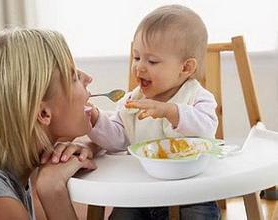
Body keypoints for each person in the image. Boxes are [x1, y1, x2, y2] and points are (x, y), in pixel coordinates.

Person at [0, 28, 99, 220]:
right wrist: (53, 191)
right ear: (43, 113)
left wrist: (88, 144)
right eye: (73, 77)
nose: (88, 79)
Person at [87, 5, 220, 220]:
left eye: (152, 61)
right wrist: (94, 119)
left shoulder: (196, 96)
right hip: (139, 190)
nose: (139, 67)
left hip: (190, 192)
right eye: (137, 57)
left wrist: (171, 111)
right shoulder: (133, 101)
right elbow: (117, 139)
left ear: (185, 68)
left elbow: (207, 129)